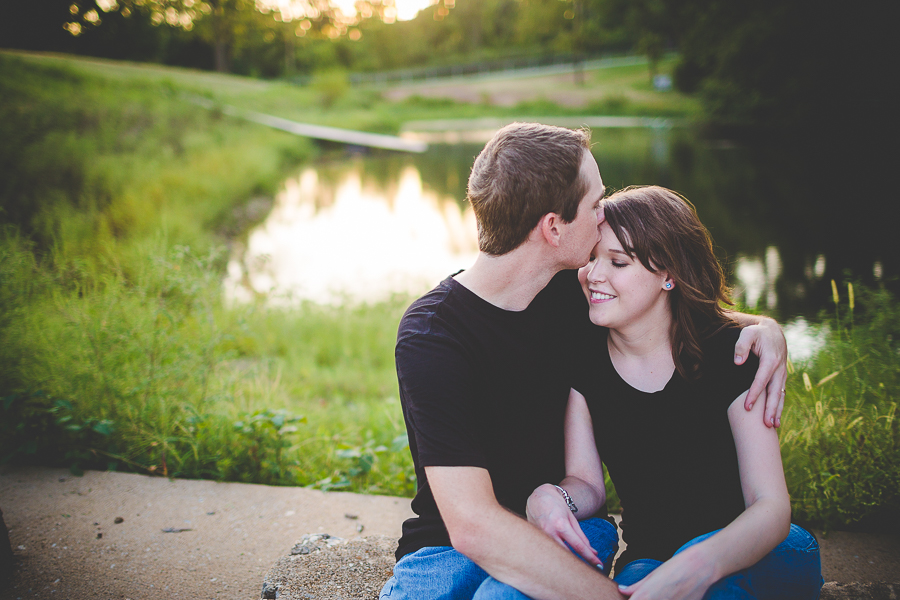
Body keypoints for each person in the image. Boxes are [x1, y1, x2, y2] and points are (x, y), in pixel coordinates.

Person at [380, 123, 788, 600]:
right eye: (596, 204)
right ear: (554, 227)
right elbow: (472, 525)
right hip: (449, 545)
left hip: (567, 525)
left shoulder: (575, 296)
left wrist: (762, 328)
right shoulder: (433, 335)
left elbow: (665, 302)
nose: (603, 216)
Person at [527, 186, 823, 600]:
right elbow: (586, 482)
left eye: (617, 262)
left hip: (763, 548)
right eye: (592, 258)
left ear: (668, 274)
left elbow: (770, 507)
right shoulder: (585, 356)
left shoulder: (733, 352)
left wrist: (695, 564)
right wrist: (551, 495)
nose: (594, 275)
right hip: (650, 555)